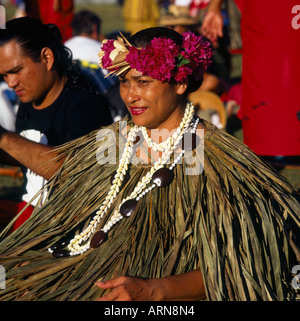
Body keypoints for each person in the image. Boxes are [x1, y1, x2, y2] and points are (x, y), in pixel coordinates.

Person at [0, 27, 299, 301]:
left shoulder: (207, 154)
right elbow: (69, 174)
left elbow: (242, 263)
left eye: (144, 82)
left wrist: (156, 290)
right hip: (82, 274)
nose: (131, 96)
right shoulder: (116, 140)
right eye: (124, 81)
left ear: (179, 82)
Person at [0, 17, 112, 228]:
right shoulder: (29, 102)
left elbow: (74, 171)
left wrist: (4, 138)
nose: (10, 83)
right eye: (4, 75)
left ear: (47, 58)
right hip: (31, 218)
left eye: (16, 71)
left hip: (70, 230)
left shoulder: (86, 105)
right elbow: (30, 153)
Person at [201, 0, 300, 165]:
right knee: (269, 69)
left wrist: (214, 7)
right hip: (266, 19)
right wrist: (214, 7)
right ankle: (271, 143)